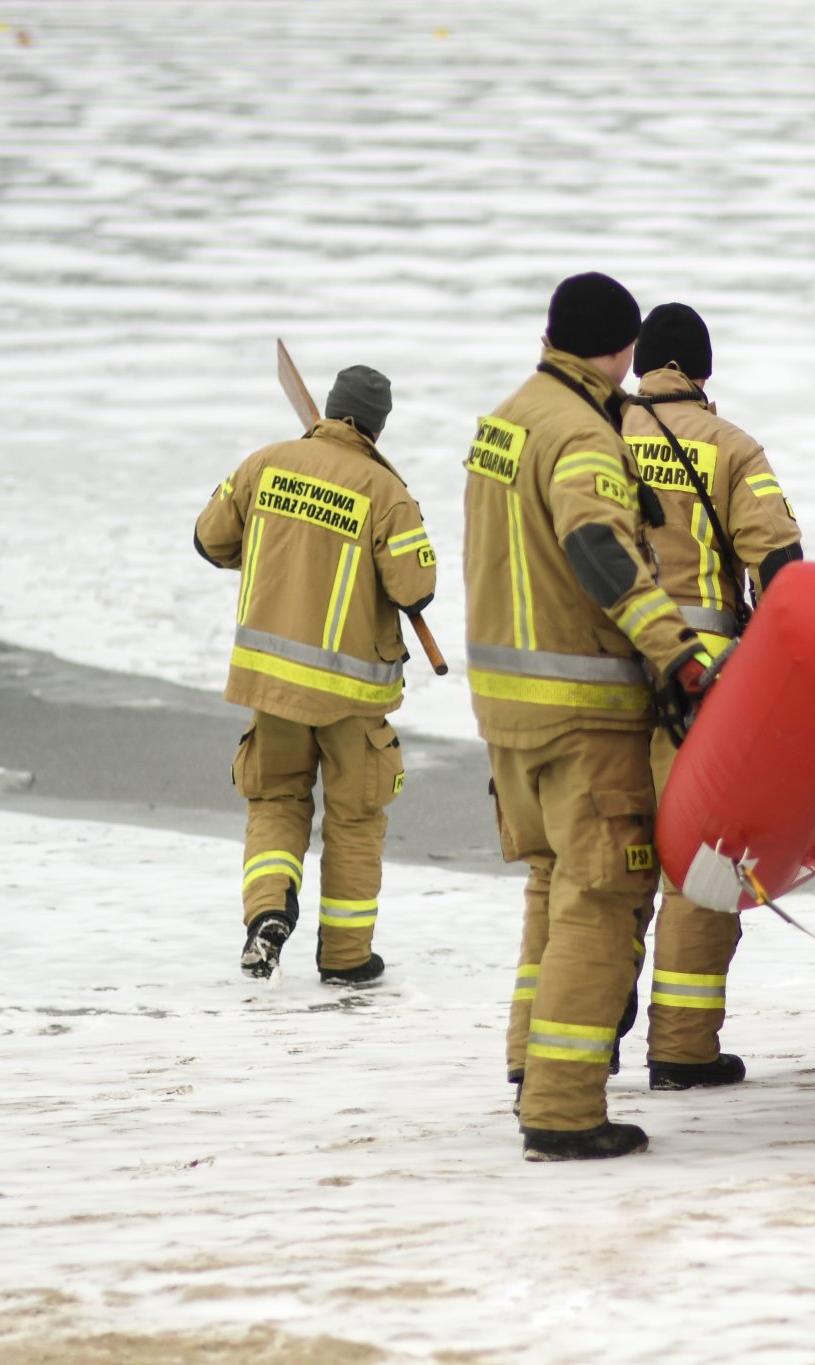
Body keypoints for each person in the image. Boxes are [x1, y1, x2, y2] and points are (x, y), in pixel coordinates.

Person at [464, 273, 711, 1162]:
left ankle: (530, 1063)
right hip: (582, 712)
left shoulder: (506, 419)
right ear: (617, 348)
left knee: (550, 885)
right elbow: (594, 544)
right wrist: (677, 651)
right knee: (603, 896)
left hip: (507, 706)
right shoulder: (581, 434)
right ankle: (564, 1108)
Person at [193, 366, 436, 986]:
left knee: (275, 800)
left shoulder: (265, 464)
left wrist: (280, 545)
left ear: (329, 409)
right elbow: (416, 588)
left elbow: (210, 539)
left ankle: (268, 915)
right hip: (351, 697)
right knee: (355, 817)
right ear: (379, 426)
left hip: (270, 684)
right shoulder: (387, 492)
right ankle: (347, 959)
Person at [621, 303, 803, 1092]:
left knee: (591, 866)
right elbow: (785, 568)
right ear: (703, 371)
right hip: (696, 685)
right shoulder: (732, 447)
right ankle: (683, 1050)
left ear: (636, 366)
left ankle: (559, 1047)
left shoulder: (588, 435)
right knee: (697, 859)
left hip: (594, 677)